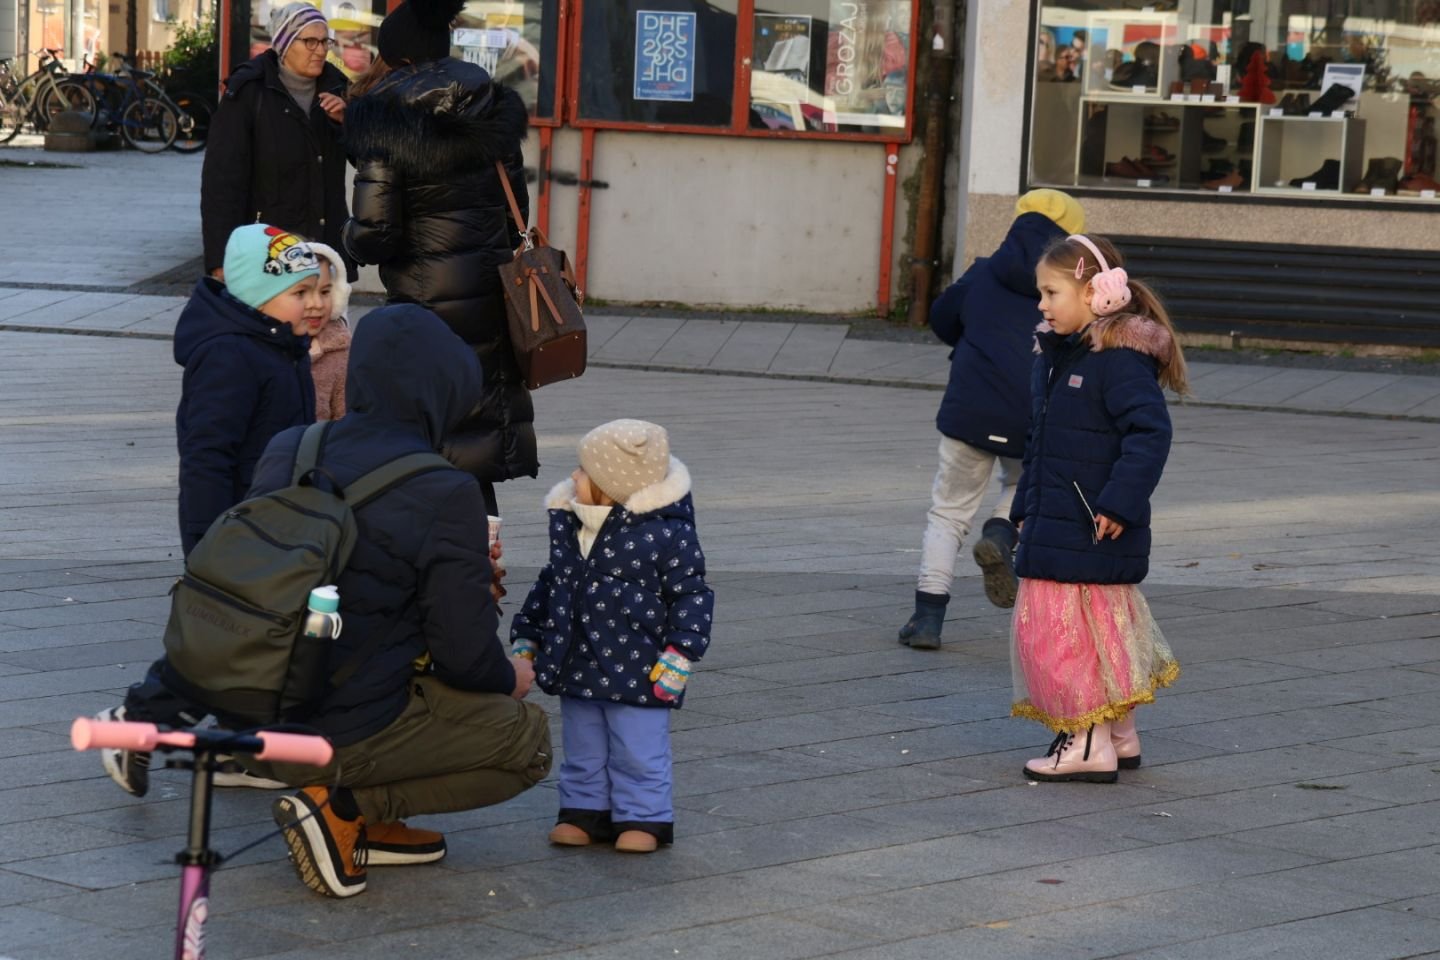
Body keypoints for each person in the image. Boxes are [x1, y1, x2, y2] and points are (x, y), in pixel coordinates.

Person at [245, 304, 552, 898]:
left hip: (249, 710)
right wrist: (509, 673)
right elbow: (462, 656)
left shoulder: (292, 446)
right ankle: (343, 805)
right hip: (336, 729)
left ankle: (366, 825)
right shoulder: (444, 489)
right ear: (440, 392)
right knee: (526, 740)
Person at [96, 222, 327, 797]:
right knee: (224, 644)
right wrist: (205, 545)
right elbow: (206, 457)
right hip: (234, 530)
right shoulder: (229, 355)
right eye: (301, 292)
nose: (315, 303)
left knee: (259, 642)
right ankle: (135, 726)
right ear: (255, 293)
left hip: (274, 526)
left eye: (320, 291)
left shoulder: (281, 345)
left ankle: (242, 744)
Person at [1010, 234, 1189, 784]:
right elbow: (1043, 443)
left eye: (1051, 292)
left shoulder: (1117, 360)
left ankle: (1086, 742)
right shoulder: (1058, 357)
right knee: (1097, 636)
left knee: (1061, 636)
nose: (1041, 304)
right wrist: (1024, 504)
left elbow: (1150, 434)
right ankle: (1117, 736)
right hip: (1063, 519)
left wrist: (1120, 502)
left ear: (1097, 293)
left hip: (1092, 523)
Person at [342, 0, 538, 497]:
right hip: (490, 294)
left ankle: (438, 558)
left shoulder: (384, 116)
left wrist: (346, 238)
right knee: (477, 440)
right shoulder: (489, 102)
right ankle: (486, 559)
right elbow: (517, 208)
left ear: (397, 54)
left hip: (423, 303)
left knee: (426, 439)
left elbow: (375, 232)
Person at [510, 420, 713, 854]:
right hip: (576, 660)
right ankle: (584, 813)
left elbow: (691, 594)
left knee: (638, 749)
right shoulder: (572, 525)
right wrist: (529, 634)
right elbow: (552, 584)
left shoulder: (666, 534)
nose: (574, 478)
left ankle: (644, 816)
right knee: (583, 747)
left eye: (583, 471)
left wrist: (681, 652)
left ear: (611, 485)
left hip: (640, 668)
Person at [898, 189, 1085, 650]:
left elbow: (943, 318)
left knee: (948, 510)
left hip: (970, 408)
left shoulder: (983, 272)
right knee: (1022, 485)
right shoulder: (1067, 289)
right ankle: (1001, 533)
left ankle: (927, 618)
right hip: (1033, 411)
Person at [202, 2, 354, 283]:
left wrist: (346, 122)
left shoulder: (340, 88)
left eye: (325, 41)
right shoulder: (248, 92)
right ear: (284, 43)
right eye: (310, 41)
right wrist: (219, 260)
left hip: (325, 253)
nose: (320, 50)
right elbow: (222, 182)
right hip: (268, 251)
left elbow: (366, 160)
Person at [306, 243, 352, 420]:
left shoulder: (340, 353)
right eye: (303, 292)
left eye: (325, 292)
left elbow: (345, 423)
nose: (317, 304)